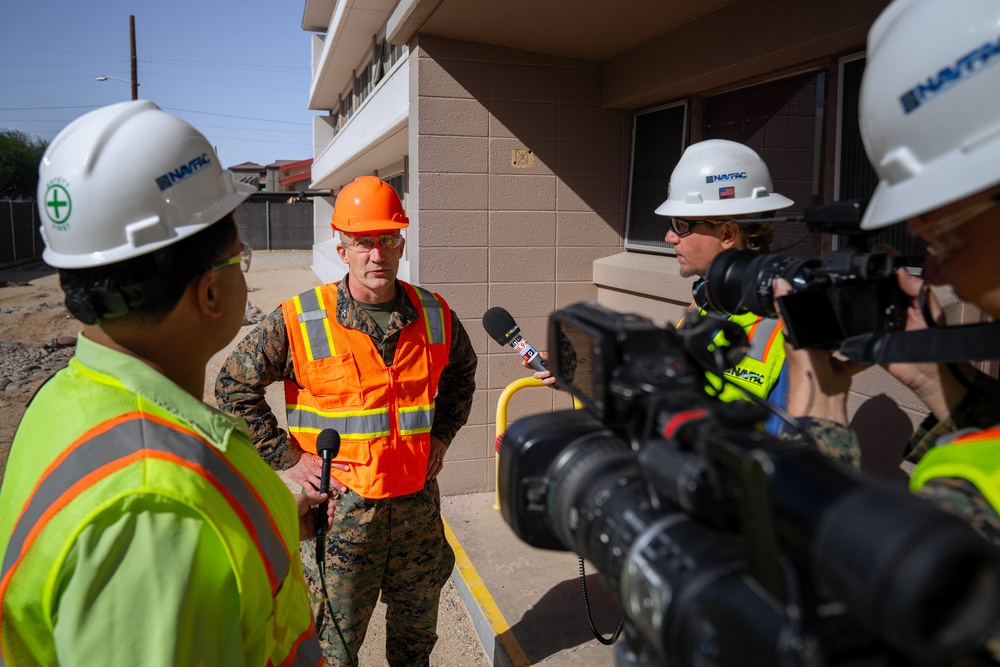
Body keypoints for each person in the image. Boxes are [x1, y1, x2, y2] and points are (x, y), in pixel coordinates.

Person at [0, 101, 325, 666]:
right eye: (239, 259)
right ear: (209, 293)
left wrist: (276, 509)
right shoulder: (159, 515)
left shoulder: (63, 399)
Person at [776, 0, 1000, 600]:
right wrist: (938, 381)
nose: (935, 267)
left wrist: (819, 401)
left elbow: (813, 610)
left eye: (942, 231)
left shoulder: (965, 513)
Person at [215, 175, 478, 666]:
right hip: (342, 519)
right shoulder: (299, 319)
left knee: (415, 643)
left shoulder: (435, 313)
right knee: (332, 652)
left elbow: (463, 372)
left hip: (418, 510)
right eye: (363, 243)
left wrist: (442, 434)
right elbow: (232, 387)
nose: (376, 255)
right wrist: (290, 461)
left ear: (401, 243)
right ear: (342, 247)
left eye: (387, 240)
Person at [529, 139, 796, 434]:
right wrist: (582, 376)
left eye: (681, 224)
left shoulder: (789, 329)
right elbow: (663, 406)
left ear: (728, 233)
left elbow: (790, 458)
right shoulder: (707, 303)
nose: (670, 237)